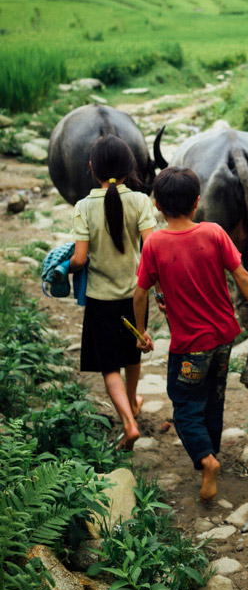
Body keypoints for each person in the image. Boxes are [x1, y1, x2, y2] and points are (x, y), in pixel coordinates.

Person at [133, 165, 248, 502]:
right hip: (224, 339)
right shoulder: (214, 232)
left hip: (189, 347)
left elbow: (139, 293)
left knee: (184, 405)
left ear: (156, 206)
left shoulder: (154, 244)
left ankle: (206, 461)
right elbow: (242, 277)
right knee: (214, 397)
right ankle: (210, 450)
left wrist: (140, 331)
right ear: (197, 203)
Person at [69, 134, 157, 450]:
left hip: (100, 299)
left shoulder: (83, 207)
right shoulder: (141, 201)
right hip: (135, 296)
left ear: (92, 168)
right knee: (133, 351)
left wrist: (63, 267)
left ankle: (129, 424)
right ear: (129, 167)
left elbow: (79, 259)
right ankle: (133, 401)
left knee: (109, 366)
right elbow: (152, 247)